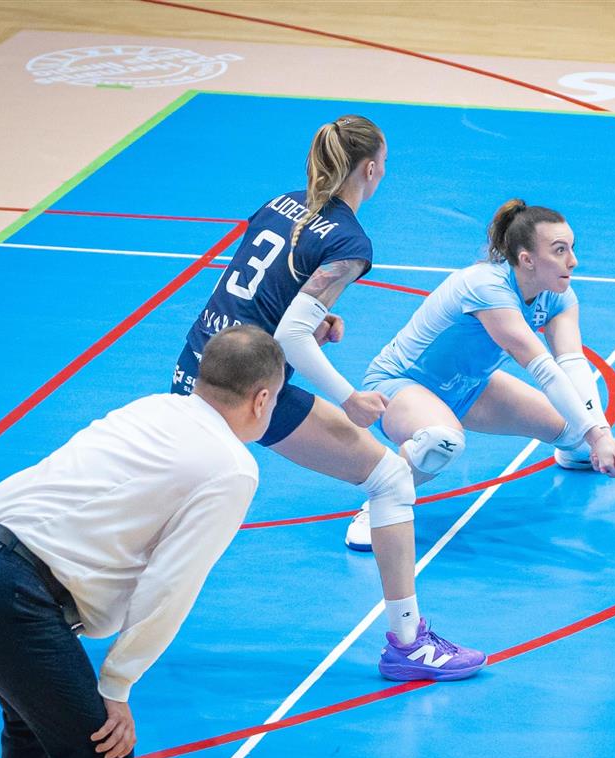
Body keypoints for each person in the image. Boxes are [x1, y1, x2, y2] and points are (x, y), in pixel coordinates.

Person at [0, 326, 282, 758]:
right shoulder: (232, 467)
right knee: (101, 753)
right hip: (5, 585)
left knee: (35, 729)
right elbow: (171, 582)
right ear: (262, 398)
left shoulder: (153, 407)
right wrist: (117, 685)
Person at [171, 114, 483, 682]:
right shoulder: (349, 241)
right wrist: (349, 397)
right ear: (371, 169)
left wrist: (312, 324)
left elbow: (257, 299)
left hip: (199, 367)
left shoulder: (280, 203)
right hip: (248, 391)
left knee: (166, 509)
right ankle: (408, 645)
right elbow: (290, 333)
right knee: (392, 480)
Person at [345, 198, 615, 551]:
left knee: (575, 428)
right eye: (560, 250)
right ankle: (382, 505)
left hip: (467, 387)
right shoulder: (487, 287)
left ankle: (577, 453)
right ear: (527, 259)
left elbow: (572, 365)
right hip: (399, 386)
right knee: (441, 441)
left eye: (572, 248)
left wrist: (596, 435)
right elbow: (545, 371)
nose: (573, 261)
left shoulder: (557, 296)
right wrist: (599, 436)